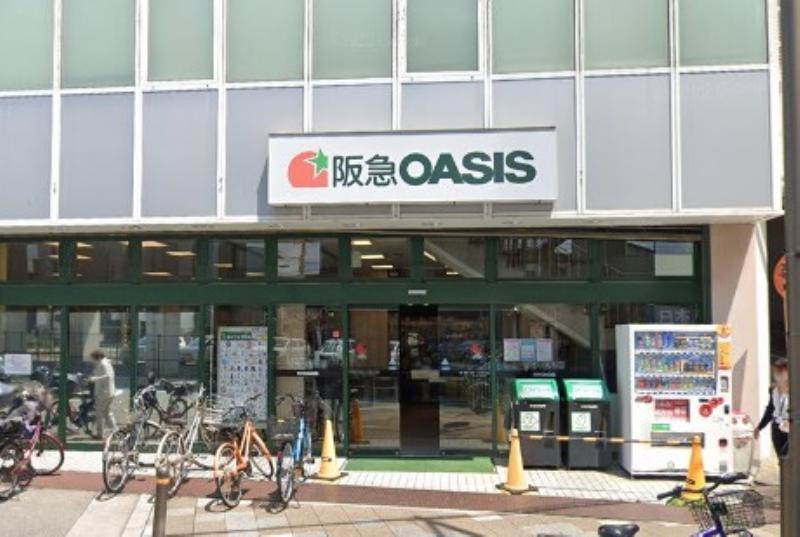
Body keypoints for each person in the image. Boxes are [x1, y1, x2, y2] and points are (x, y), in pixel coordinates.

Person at [756, 358, 790, 458]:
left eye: (781, 371)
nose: (778, 375)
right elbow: (770, 410)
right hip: (777, 429)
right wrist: (759, 427)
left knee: (788, 456)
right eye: (776, 372)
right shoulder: (773, 390)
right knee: (781, 459)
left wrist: (790, 421)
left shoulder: (795, 389)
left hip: (791, 429)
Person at [89, 349, 117, 439]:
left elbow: (107, 375)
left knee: (99, 413)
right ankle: (115, 431)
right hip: (109, 392)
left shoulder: (103, 364)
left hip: (103, 393)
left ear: (97, 357)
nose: (92, 361)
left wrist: (95, 378)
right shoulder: (107, 363)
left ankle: (100, 434)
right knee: (107, 413)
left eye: (92, 359)